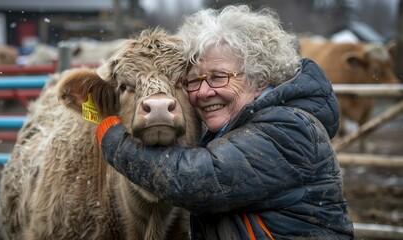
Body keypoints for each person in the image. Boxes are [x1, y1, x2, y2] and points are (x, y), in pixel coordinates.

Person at [96, 5, 354, 239]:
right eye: (193, 81)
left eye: (219, 77)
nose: (204, 92)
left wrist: (112, 137)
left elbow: (193, 181)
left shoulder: (289, 128)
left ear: (259, 78)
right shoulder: (238, 126)